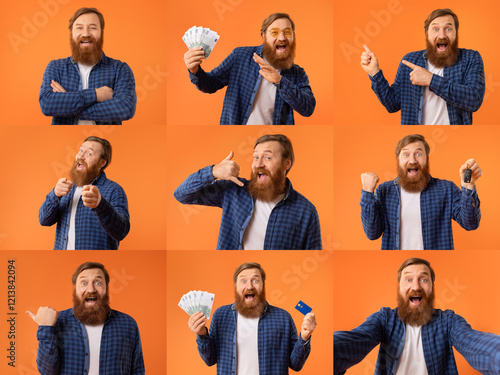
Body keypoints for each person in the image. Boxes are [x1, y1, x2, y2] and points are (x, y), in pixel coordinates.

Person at [334, 257, 500, 374]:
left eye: (424, 279)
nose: (416, 286)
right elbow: (354, 340)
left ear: (432, 287)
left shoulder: (448, 321)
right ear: (398, 288)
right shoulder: (384, 319)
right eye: (408, 280)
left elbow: (473, 342)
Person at [174, 134, 322, 249]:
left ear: (286, 163)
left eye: (267, 157)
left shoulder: (306, 211)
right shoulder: (234, 190)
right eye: (256, 157)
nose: (258, 164)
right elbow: (182, 195)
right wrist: (212, 172)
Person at [183, 12, 315, 125]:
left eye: (287, 32)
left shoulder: (297, 73)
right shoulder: (239, 56)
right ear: (263, 36)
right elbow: (210, 84)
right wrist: (194, 70)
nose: (282, 37)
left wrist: (280, 81)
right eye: (274, 32)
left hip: (270, 135)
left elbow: (308, 108)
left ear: (293, 36)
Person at [360, 8, 485, 125]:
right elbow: (392, 105)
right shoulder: (409, 60)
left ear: (456, 33)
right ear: (427, 34)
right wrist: (375, 73)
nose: (442, 35)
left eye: (448, 29)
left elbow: (473, 100)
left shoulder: (470, 58)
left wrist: (431, 80)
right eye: (435, 29)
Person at [188, 262, 316, 374]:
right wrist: (202, 334)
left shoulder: (283, 317)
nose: (249, 286)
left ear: (263, 284)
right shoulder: (221, 315)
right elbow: (210, 360)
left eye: (255, 280)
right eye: (243, 281)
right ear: (236, 286)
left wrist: (304, 337)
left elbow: (296, 365)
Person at [360, 134, 481, 250]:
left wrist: (468, 187)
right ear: (398, 160)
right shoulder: (384, 191)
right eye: (406, 154)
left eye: (418, 154)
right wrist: (367, 193)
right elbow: (372, 233)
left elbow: (470, 224)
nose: (412, 160)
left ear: (427, 158)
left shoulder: (446, 189)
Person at [27, 262, 145, 374]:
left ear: (106, 288)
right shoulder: (57, 321)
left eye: (98, 282)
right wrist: (46, 328)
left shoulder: (128, 324)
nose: (91, 289)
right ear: (75, 289)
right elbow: (47, 371)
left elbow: (138, 370)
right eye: (84, 283)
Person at [39, 7, 136, 125]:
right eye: (79, 28)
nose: (85, 33)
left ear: (101, 32)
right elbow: (47, 105)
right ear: (71, 33)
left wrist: (71, 105)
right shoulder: (56, 67)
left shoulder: (120, 69)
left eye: (92, 28)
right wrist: (96, 95)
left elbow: (125, 108)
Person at [39, 136, 130, 250]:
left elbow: (122, 232)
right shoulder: (66, 188)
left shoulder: (114, 190)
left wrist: (100, 205)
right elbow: (43, 220)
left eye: (89, 154)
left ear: (102, 163)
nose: (81, 156)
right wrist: (55, 194)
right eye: (81, 150)